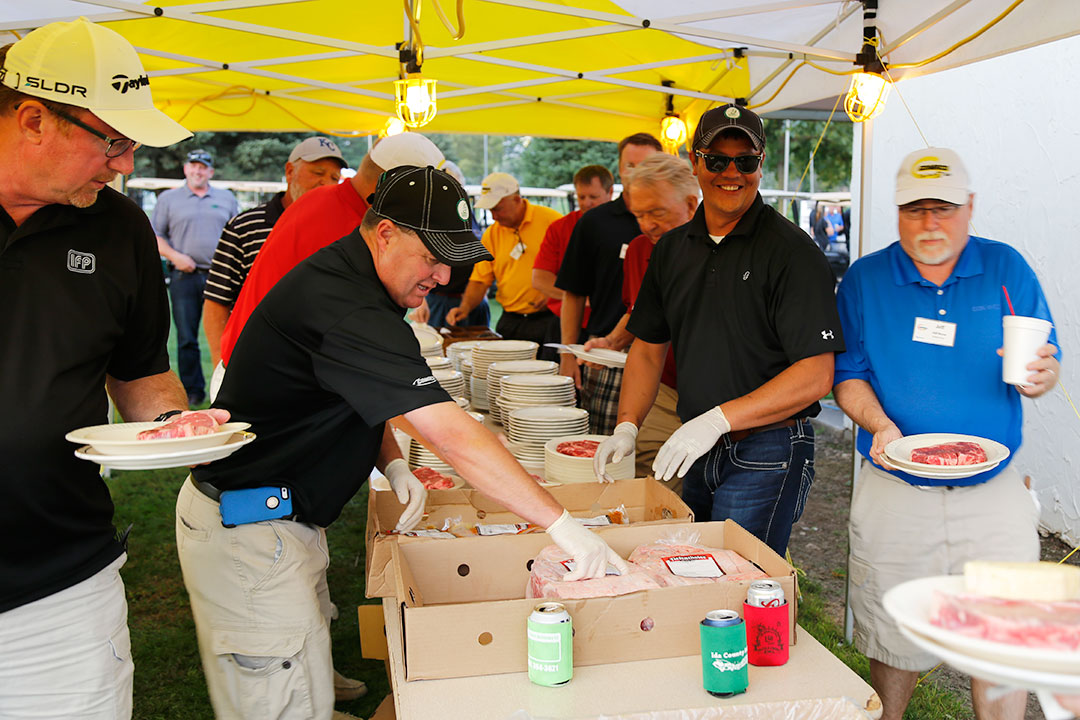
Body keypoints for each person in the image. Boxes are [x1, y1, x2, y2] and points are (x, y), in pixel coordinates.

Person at [175, 165, 628, 720]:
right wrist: (562, 527)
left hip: (277, 518)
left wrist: (391, 461)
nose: (442, 276)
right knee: (279, 701)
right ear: (385, 232)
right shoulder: (346, 304)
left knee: (302, 677)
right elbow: (449, 433)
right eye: (432, 257)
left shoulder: (356, 280)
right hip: (248, 529)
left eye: (451, 260)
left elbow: (359, 394)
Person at [0, 18, 220, 718]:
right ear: (33, 119)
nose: (123, 164)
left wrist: (181, 428)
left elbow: (140, 371)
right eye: (112, 142)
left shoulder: (118, 227)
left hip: (60, 586)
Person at [832, 147, 1060, 720]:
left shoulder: (1006, 268)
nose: (930, 223)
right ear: (898, 211)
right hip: (895, 483)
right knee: (893, 636)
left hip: (994, 487)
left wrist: (1043, 376)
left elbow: (1044, 361)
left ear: (970, 207)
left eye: (944, 208)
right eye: (915, 209)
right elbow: (848, 376)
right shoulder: (864, 280)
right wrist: (880, 424)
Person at [594, 104, 844, 556]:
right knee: (696, 572)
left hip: (768, 448)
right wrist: (627, 426)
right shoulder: (671, 250)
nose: (732, 172)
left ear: (760, 164)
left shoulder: (792, 252)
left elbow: (815, 375)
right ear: (696, 162)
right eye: (717, 159)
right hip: (699, 444)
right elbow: (649, 348)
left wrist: (718, 419)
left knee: (739, 581)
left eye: (745, 160)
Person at [218, 132, 443, 368]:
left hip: (249, 358)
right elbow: (358, 328)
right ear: (391, 186)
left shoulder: (318, 199)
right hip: (263, 371)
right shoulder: (356, 232)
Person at [583, 153, 697, 482]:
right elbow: (638, 311)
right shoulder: (638, 250)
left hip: (719, 395)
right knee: (654, 478)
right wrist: (612, 341)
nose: (648, 225)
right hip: (662, 383)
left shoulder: (721, 251)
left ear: (691, 204)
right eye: (639, 215)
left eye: (657, 213)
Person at [203, 136, 348, 368]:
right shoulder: (245, 226)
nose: (326, 184)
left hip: (321, 361)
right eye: (317, 173)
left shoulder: (344, 232)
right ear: (290, 172)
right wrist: (221, 361)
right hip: (255, 358)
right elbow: (217, 299)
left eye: (334, 178)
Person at [555, 133, 662, 434]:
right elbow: (573, 292)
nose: (638, 172)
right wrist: (567, 354)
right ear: (619, 169)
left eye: (648, 165)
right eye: (630, 165)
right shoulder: (594, 222)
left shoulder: (676, 223)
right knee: (602, 449)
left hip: (663, 361)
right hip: (605, 354)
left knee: (648, 453)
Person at [153, 148, 239, 406]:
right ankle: (194, 390)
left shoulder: (226, 198)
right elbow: (156, 236)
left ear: (210, 172)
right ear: (186, 169)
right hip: (185, 276)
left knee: (228, 333)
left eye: (203, 167)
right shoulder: (169, 199)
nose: (198, 171)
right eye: (193, 166)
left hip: (221, 277)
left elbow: (237, 233)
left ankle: (228, 386)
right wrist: (176, 256)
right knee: (187, 337)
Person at [446, 172, 562, 359]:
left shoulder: (552, 221)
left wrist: (554, 290)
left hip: (548, 320)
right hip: (510, 320)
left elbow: (574, 267)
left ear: (517, 199)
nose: (494, 215)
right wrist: (465, 307)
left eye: (498, 209)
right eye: (490, 210)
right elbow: (480, 280)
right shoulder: (492, 234)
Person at [531, 164, 614, 347]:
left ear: (610, 192)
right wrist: (579, 299)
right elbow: (540, 279)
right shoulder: (560, 227)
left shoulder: (624, 226)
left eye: (593, 197)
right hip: (564, 323)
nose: (586, 203)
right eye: (581, 197)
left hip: (609, 327)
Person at [409, 160, 490, 329]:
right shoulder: (428, 217)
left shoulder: (465, 212)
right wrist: (421, 300)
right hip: (440, 300)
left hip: (473, 300)